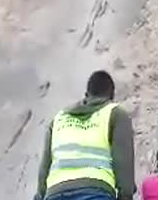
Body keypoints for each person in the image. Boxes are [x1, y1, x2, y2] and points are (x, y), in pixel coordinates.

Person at [34, 70, 135, 200]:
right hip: (95, 191)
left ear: (86, 95)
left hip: (55, 192)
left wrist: (40, 195)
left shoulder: (59, 118)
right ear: (111, 96)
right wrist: (125, 195)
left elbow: (45, 164)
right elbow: (123, 161)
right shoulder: (115, 113)